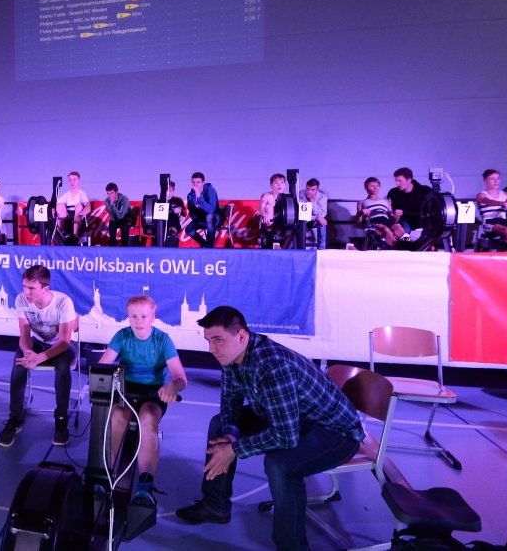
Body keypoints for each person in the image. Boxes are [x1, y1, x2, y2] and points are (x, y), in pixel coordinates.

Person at [175, 306, 364, 551]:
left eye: (218, 340)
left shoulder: (272, 365)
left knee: (280, 465)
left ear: (241, 335)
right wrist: (231, 435)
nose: (212, 349)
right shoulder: (232, 355)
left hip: (334, 431)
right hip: (290, 417)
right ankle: (215, 506)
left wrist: (234, 449)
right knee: (220, 425)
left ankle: (292, 547)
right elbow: (230, 401)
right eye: (209, 341)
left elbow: (286, 436)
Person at [97, 296, 186, 506]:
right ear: (128, 317)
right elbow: (102, 367)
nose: (138, 321)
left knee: (148, 419)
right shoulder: (122, 336)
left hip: (153, 393)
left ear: (152, 318)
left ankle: (145, 484)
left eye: (144, 316)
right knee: (117, 417)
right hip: (126, 390)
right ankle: (103, 475)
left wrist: (172, 386)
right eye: (134, 316)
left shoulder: (163, 340)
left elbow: (180, 377)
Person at [0, 265, 77, 448]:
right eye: (24, 286)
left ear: (45, 289)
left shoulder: (63, 302)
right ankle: (15, 418)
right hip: (38, 342)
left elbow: (65, 342)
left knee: (63, 368)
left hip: (61, 345)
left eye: (31, 288)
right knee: (19, 362)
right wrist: (28, 354)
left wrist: (39, 358)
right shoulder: (21, 300)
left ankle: (61, 419)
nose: (26, 292)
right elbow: (24, 334)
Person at [387, 168, 431, 237]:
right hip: (403, 222)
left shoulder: (425, 191)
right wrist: (396, 215)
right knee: (403, 228)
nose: (397, 184)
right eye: (396, 181)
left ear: (409, 180)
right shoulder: (393, 193)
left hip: (422, 221)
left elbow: (434, 207)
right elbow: (391, 216)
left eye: (400, 181)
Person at [356, 177, 397, 248]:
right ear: (366, 188)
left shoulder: (386, 201)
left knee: (397, 227)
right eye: (372, 186)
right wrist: (361, 213)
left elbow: (393, 218)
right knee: (385, 229)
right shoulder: (362, 202)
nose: (375, 188)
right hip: (374, 223)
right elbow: (358, 220)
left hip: (386, 221)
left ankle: (409, 246)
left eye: (377, 186)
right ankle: (398, 247)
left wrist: (397, 215)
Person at [185, 172, 220, 248]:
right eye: (193, 182)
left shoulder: (211, 191)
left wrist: (199, 197)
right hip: (202, 219)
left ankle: (210, 247)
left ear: (203, 183)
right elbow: (192, 213)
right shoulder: (190, 196)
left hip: (215, 218)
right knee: (189, 229)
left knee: (210, 217)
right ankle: (204, 244)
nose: (196, 184)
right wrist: (197, 212)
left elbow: (211, 210)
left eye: (198, 182)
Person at [56, 171, 91, 243]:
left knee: (78, 206)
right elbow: (57, 207)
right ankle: (60, 235)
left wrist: (80, 214)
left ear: (79, 180)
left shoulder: (82, 194)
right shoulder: (65, 195)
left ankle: (75, 236)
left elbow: (88, 207)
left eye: (74, 179)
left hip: (79, 221)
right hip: (67, 222)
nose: (72, 182)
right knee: (60, 206)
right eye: (70, 180)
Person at [298, 178, 328, 250]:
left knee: (322, 222)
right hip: (302, 219)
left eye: (312, 190)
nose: (309, 192)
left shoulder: (322, 197)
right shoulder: (300, 195)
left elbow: (322, 214)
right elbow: (302, 214)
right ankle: (299, 247)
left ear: (317, 190)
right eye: (307, 189)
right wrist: (315, 217)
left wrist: (313, 202)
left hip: (315, 220)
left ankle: (322, 248)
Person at [258, 173, 286, 245]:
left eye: (282, 183)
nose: (279, 185)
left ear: (285, 185)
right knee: (269, 207)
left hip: (283, 227)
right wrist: (264, 215)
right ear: (271, 185)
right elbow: (261, 208)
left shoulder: (287, 199)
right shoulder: (267, 196)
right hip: (269, 225)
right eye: (276, 183)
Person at [104, 183, 134, 247]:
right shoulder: (107, 201)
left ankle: (125, 250)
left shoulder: (124, 199)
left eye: (112, 193)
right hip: (115, 219)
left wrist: (112, 205)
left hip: (126, 218)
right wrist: (112, 205)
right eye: (108, 193)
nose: (110, 196)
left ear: (116, 192)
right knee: (112, 236)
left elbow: (121, 216)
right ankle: (113, 250)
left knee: (125, 235)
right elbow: (112, 215)